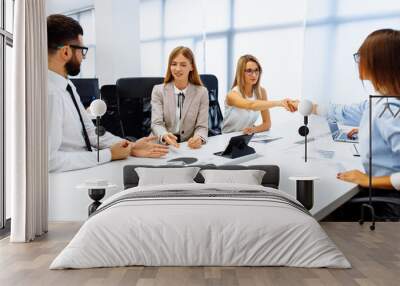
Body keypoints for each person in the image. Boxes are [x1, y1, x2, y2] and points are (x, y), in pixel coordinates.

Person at [293, 29, 400, 218]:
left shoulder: (389, 110)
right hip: (383, 196)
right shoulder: (380, 102)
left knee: (319, 211)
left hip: (389, 205)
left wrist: (369, 180)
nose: (358, 61)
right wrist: (369, 134)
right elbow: (344, 112)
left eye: (361, 56)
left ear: (379, 62)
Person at [47, 14, 168, 172]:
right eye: (82, 50)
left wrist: (129, 146)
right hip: (70, 177)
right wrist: (108, 154)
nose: (83, 58)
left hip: (88, 167)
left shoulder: (67, 85)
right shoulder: (50, 94)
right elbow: (50, 161)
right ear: (65, 52)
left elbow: (90, 131)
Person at [222, 54, 297, 134]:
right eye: (249, 71)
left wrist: (254, 129)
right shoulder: (232, 95)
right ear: (241, 73)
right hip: (227, 138)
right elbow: (250, 105)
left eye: (256, 70)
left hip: (245, 137)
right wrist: (279, 103)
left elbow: (267, 123)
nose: (254, 75)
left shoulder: (261, 92)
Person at [151, 46, 209, 149]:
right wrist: (164, 135)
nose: (177, 69)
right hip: (162, 145)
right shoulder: (158, 90)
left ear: (191, 67)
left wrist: (198, 138)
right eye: (174, 64)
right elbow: (156, 123)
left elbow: (202, 126)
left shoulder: (202, 92)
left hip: (187, 146)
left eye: (183, 65)